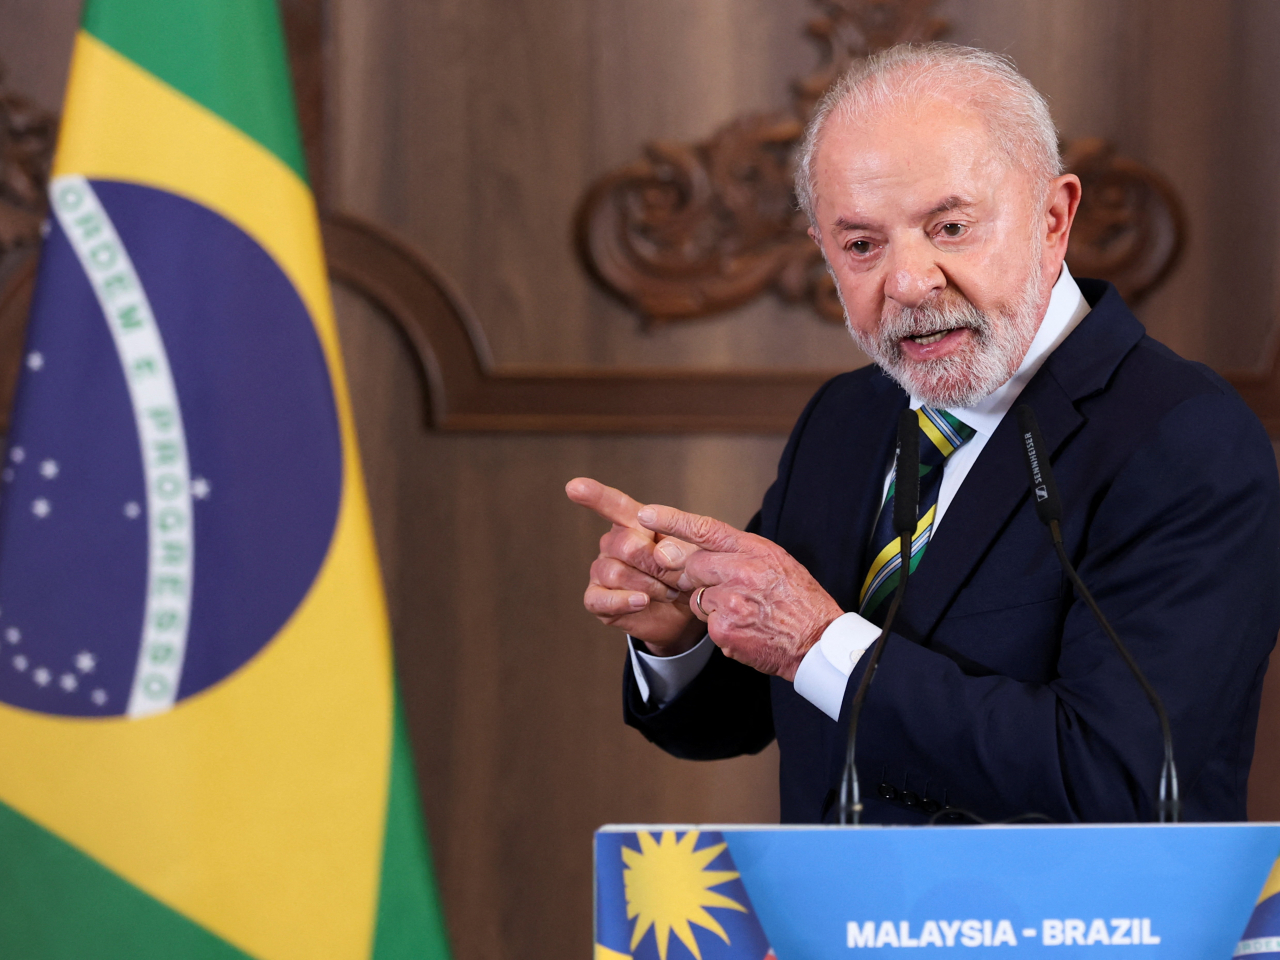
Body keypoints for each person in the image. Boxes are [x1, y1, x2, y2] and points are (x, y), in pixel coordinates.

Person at [566, 43, 1280, 824]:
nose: (908, 282)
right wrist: (678, 636)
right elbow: (756, 711)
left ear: (1054, 219)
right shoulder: (845, 418)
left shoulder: (1188, 441)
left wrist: (819, 642)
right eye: (862, 245)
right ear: (823, 252)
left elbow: (1126, 780)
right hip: (833, 934)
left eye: (948, 227)